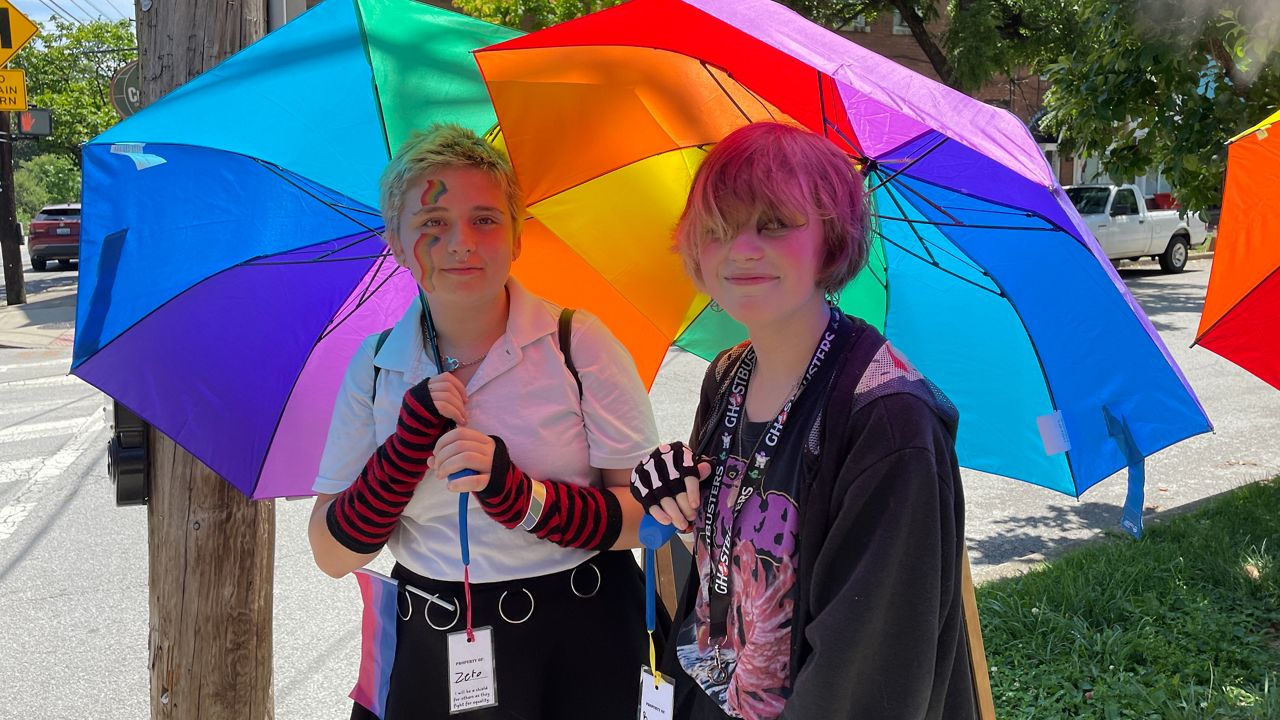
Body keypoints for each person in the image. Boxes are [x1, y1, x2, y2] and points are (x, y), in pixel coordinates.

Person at [308, 123, 660, 719]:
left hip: (584, 636)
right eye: (432, 224)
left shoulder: (580, 345)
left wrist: (525, 499)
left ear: (517, 237)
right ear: (396, 243)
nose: (461, 243)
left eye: (485, 220)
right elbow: (332, 555)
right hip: (433, 642)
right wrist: (401, 454)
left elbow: (649, 521)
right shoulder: (373, 367)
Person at [630, 122, 978, 719]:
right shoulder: (727, 378)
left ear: (832, 240)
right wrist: (677, 494)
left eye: (774, 224)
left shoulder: (889, 421)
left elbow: (868, 666)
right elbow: (729, 565)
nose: (740, 248)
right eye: (718, 229)